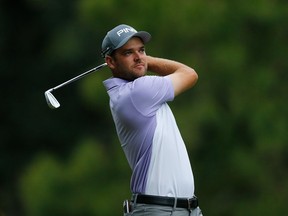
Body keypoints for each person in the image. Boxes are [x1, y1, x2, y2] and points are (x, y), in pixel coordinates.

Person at [101, 24, 203, 216]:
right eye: (128, 53)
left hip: (186, 209)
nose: (139, 57)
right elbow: (190, 74)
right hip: (161, 210)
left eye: (141, 50)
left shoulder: (130, 93)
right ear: (111, 62)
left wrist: (140, 61)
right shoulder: (138, 92)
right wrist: (149, 61)